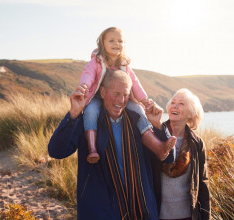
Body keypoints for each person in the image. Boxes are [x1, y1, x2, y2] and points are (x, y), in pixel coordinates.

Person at [48, 69, 175, 219]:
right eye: (116, 94)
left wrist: (159, 126)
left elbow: (168, 158)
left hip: (143, 212)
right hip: (102, 213)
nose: (121, 101)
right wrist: (73, 114)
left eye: (125, 95)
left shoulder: (139, 122)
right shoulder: (88, 124)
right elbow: (56, 151)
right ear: (102, 92)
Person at [79, 26, 176, 163]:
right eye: (111, 41)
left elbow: (134, 83)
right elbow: (88, 75)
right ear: (102, 43)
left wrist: (143, 100)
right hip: (98, 96)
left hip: (122, 97)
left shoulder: (124, 64)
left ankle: (158, 147)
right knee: (90, 111)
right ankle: (92, 149)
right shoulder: (97, 61)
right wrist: (84, 86)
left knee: (139, 111)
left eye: (120, 41)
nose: (116, 44)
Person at [148, 88, 211, 220]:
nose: (175, 106)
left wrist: (206, 217)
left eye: (181, 104)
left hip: (188, 216)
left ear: (191, 113)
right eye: (173, 102)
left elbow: (203, 184)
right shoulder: (154, 135)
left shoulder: (197, 143)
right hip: (157, 215)